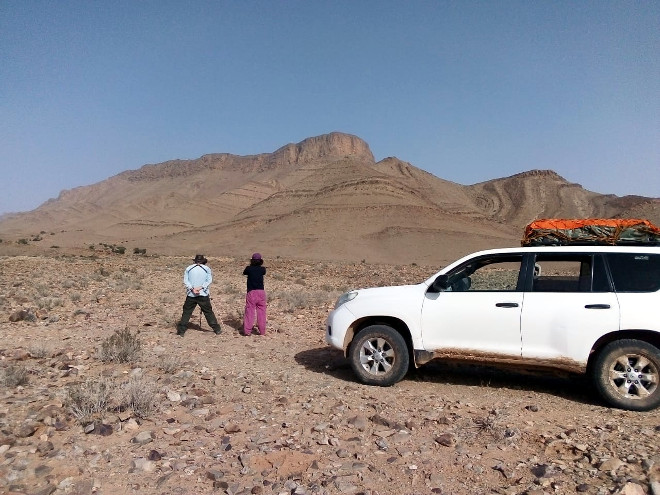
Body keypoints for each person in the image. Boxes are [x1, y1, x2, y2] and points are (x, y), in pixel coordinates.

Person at [176, 254, 222, 337]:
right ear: (203, 261)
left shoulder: (189, 268)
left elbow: (186, 281)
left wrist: (192, 289)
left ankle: (181, 331)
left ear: (195, 260)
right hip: (203, 294)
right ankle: (217, 329)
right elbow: (209, 280)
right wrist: (201, 287)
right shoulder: (207, 269)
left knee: (186, 312)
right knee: (208, 312)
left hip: (191, 294)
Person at [243, 253, 267, 336]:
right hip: (261, 292)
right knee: (262, 312)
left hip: (251, 292)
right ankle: (262, 331)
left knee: (249, 311)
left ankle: (247, 331)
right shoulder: (262, 269)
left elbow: (244, 272)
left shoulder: (249, 269)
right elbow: (263, 272)